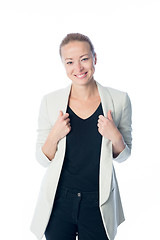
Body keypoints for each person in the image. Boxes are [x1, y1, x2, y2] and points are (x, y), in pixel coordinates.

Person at [30, 33, 132, 240]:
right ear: (64, 65)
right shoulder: (50, 102)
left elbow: (123, 155)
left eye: (84, 59)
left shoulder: (119, 100)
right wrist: (54, 135)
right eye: (70, 62)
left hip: (99, 202)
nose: (78, 68)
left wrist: (115, 136)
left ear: (95, 58)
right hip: (59, 202)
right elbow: (42, 159)